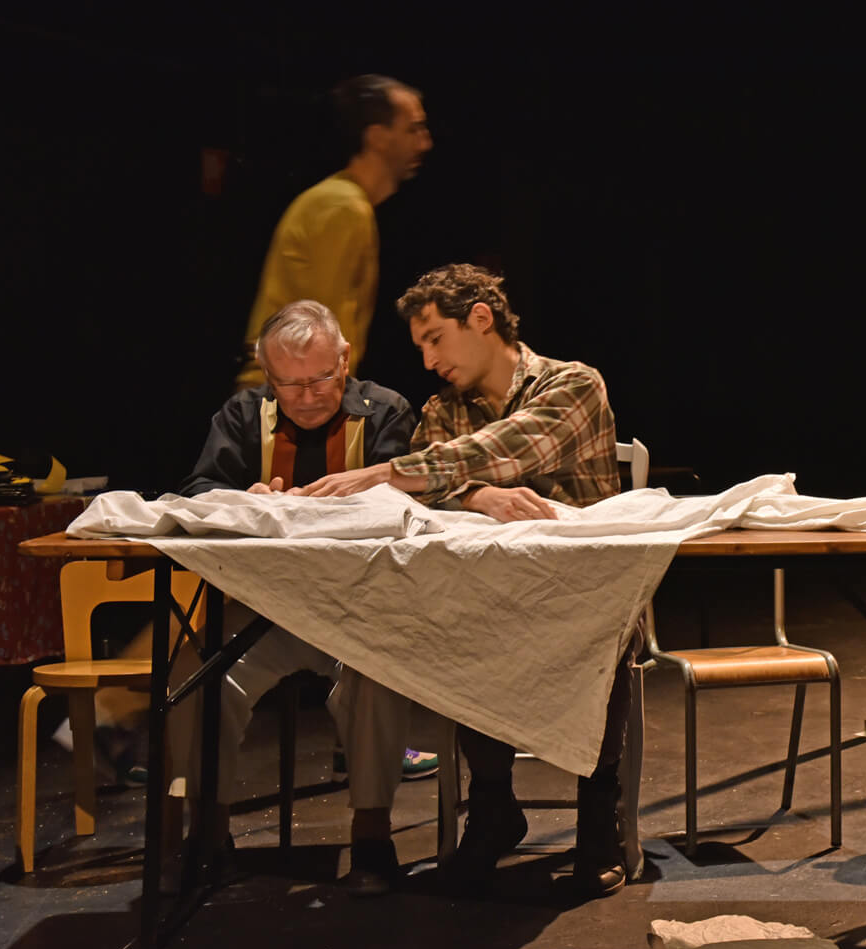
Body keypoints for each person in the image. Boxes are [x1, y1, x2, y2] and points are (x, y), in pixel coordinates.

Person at [292, 263, 637, 897]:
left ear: (481, 319)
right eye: (420, 347)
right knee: (465, 618)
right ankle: (493, 809)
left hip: (586, 595)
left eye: (435, 339)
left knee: (602, 627)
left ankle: (599, 818)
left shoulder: (572, 384)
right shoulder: (443, 411)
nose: (428, 361)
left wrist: (389, 472)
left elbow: (506, 447)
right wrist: (477, 497)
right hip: (497, 598)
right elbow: (424, 498)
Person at [174, 299, 427, 895]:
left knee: (379, 676)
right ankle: (207, 832)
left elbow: (412, 501)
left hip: (358, 611)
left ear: (345, 361)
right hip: (264, 611)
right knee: (197, 675)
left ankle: (372, 835)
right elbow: (199, 488)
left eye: (319, 379)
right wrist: (247, 500)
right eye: (288, 385)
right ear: (268, 376)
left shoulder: (386, 411)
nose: (307, 397)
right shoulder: (243, 414)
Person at [235, 74, 432, 389]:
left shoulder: (348, 203)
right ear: (378, 137)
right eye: (413, 129)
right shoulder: (342, 206)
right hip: (291, 398)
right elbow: (322, 337)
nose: (425, 143)